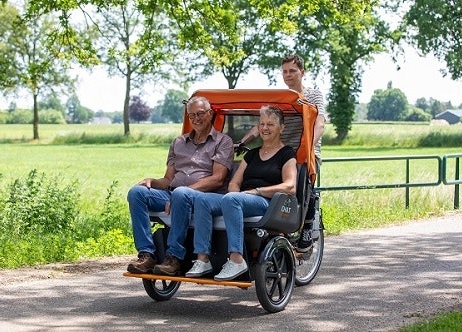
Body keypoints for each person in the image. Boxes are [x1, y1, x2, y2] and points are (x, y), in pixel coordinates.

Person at [185, 105, 297, 280]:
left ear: (281, 127)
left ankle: (236, 259)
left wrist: (256, 192)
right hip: (240, 200)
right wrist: (235, 195)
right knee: (202, 199)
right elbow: (235, 182)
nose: (265, 128)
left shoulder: (286, 153)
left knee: (232, 200)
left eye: (271, 124)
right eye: (262, 124)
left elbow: (290, 186)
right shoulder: (251, 154)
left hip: (267, 202)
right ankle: (203, 258)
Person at [126, 96, 234, 275]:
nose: (196, 119)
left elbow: (218, 179)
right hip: (173, 194)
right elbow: (168, 180)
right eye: (192, 116)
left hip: (203, 197)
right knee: (136, 193)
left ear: (210, 113)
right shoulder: (178, 142)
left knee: (180, 194)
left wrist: (184, 192)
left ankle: (174, 257)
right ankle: (146, 254)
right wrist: (152, 182)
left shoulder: (223, 141)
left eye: (200, 114)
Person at [238, 54, 326, 253]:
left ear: (302, 73)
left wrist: (308, 147)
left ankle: (307, 226)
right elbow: (260, 125)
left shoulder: (313, 95)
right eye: (284, 71)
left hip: (306, 150)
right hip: (282, 150)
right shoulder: (281, 98)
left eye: (292, 71)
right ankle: (278, 231)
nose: (288, 75)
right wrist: (242, 142)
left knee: (305, 187)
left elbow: (320, 123)